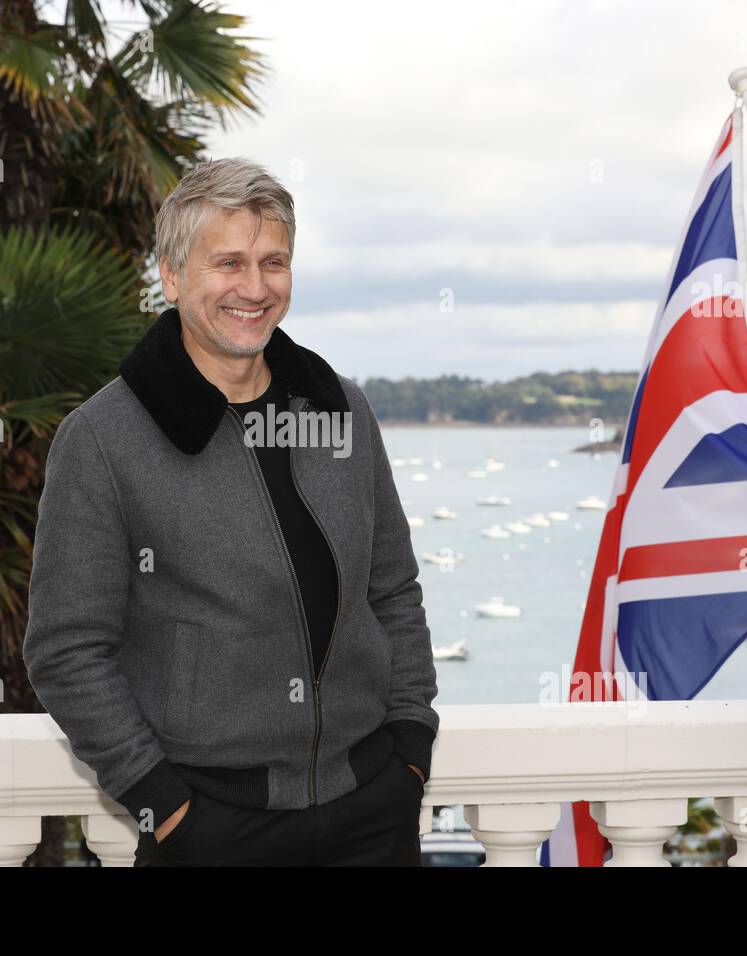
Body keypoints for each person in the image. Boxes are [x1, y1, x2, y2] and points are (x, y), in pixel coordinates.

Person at [22, 157, 440, 866]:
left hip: (371, 807)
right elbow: (65, 652)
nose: (255, 288)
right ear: (173, 275)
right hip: (210, 827)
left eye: (273, 261)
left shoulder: (340, 410)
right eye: (229, 263)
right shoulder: (102, 439)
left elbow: (393, 590)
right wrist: (168, 808)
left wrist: (410, 750)